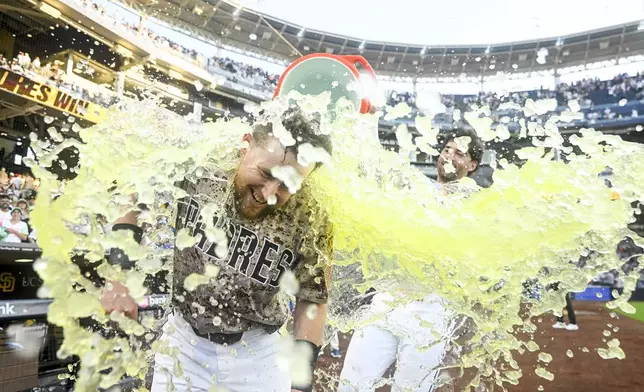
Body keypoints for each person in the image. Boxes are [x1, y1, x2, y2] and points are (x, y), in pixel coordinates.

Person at [101, 109, 333, 392]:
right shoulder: (200, 160)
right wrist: (119, 275)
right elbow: (132, 187)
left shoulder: (313, 216)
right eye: (265, 173)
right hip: (185, 342)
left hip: (260, 354)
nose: (269, 192)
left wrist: (301, 382)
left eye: (288, 184)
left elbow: (312, 300)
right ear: (245, 145)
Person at [338, 128, 484, 392]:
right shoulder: (414, 190)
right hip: (386, 300)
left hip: (431, 312)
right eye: (446, 150)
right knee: (350, 385)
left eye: (459, 153)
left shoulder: (475, 208)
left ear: (472, 165)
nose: (449, 156)